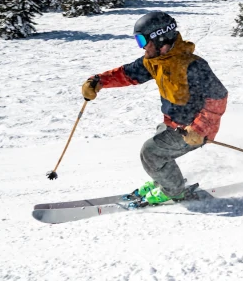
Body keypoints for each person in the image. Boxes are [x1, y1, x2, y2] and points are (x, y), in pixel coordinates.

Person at [81, 11, 228, 204]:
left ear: (160, 39)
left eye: (142, 41)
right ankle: (165, 180)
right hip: (173, 124)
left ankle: (174, 191)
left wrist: (199, 129)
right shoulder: (155, 62)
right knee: (158, 146)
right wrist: (99, 81)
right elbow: (127, 74)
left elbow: (218, 97)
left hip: (194, 130)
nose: (142, 48)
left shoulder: (192, 66)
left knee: (151, 152)